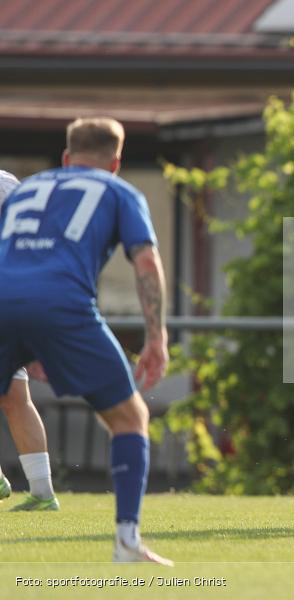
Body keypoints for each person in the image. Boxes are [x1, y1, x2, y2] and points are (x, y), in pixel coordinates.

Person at [0, 118, 172, 564]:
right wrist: (156, 337)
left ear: (65, 157)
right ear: (115, 163)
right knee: (130, 417)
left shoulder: (25, 190)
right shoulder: (117, 191)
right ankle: (127, 542)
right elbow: (147, 262)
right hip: (62, 306)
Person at [0, 170, 59, 511]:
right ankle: (42, 491)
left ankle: (42, 492)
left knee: (15, 397)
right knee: (14, 397)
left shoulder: (5, 186)